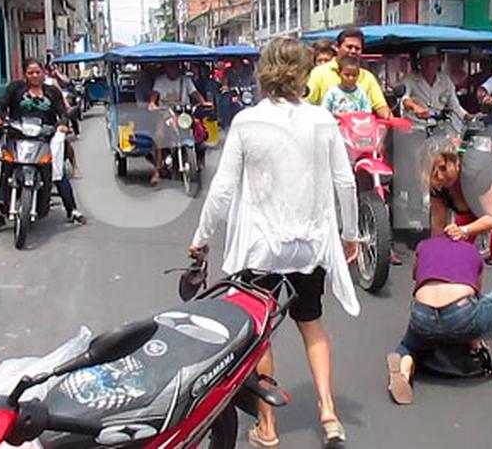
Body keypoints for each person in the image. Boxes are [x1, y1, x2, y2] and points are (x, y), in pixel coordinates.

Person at [189, 37, 360, 448]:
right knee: (312, 324)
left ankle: (267, 427)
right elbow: (345, 182)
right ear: (305, 74)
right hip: (310, 246)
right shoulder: (322, 120)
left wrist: (200, 240)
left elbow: (222, 191)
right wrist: (350, 233)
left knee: (260, 335)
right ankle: (329, 413)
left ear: (263, 73)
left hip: (260, 249)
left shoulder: (248, 122)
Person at [385, 235, 492, 405]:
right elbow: (476, 296)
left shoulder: (424, 246)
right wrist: (473, 337)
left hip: (422, 315)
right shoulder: (472, 252)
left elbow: (416, 278)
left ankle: (405, 365)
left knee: (407, 346)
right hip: (459, 315)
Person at [426, 143, 492, 341]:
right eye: (434, 170)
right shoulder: (437, 185)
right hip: (475, 207)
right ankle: (467, 304)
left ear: (456, 162)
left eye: (444, 168)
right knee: (456, 250)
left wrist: (464, 230)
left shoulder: (475, 171)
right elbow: (437, 230)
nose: (439, 176)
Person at [0, 58, 86, 234]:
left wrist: (63, 123)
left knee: (56, 171)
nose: (34, 76)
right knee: (6, 171)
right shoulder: (15, 89)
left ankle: (72, 210)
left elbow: (62, 112)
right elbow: (1, 104)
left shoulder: (52, 92)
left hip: (44, 139)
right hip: (17, 137)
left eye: (37, 72)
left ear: (43, 73)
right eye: (30, 72)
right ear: (25, 74)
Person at [307, 27, 393, 119]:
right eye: (349, 47)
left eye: (357, 48)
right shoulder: (319, 73)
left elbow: (380, 106)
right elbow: (307, 104)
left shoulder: (368, 77)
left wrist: (388, 116)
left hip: (359, 130)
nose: (353, 51)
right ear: (337, 47)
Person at [146, 61, 207, 185]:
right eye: (170, 66)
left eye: (174, 66)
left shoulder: (186, 80)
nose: (173, 69)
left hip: (184, 113)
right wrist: (152, 103)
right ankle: (157, 171)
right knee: (159, 136)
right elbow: (154, 95)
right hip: (165, 113)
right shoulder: (160, 81)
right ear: (166, 68)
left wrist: (203, 102)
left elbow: (195, 93)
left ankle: (199, 159)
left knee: (200, 131)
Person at [399, 46, 470, 127]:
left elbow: (455, 106)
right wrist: (415, 107)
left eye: (433, 60)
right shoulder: (409, 79)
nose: (429, 64)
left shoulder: (445, 81)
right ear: (419, 62)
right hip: (415, 129)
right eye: (425, 60)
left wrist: (468, 117)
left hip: (438, 129)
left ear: (439, 62)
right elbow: (404, 99)